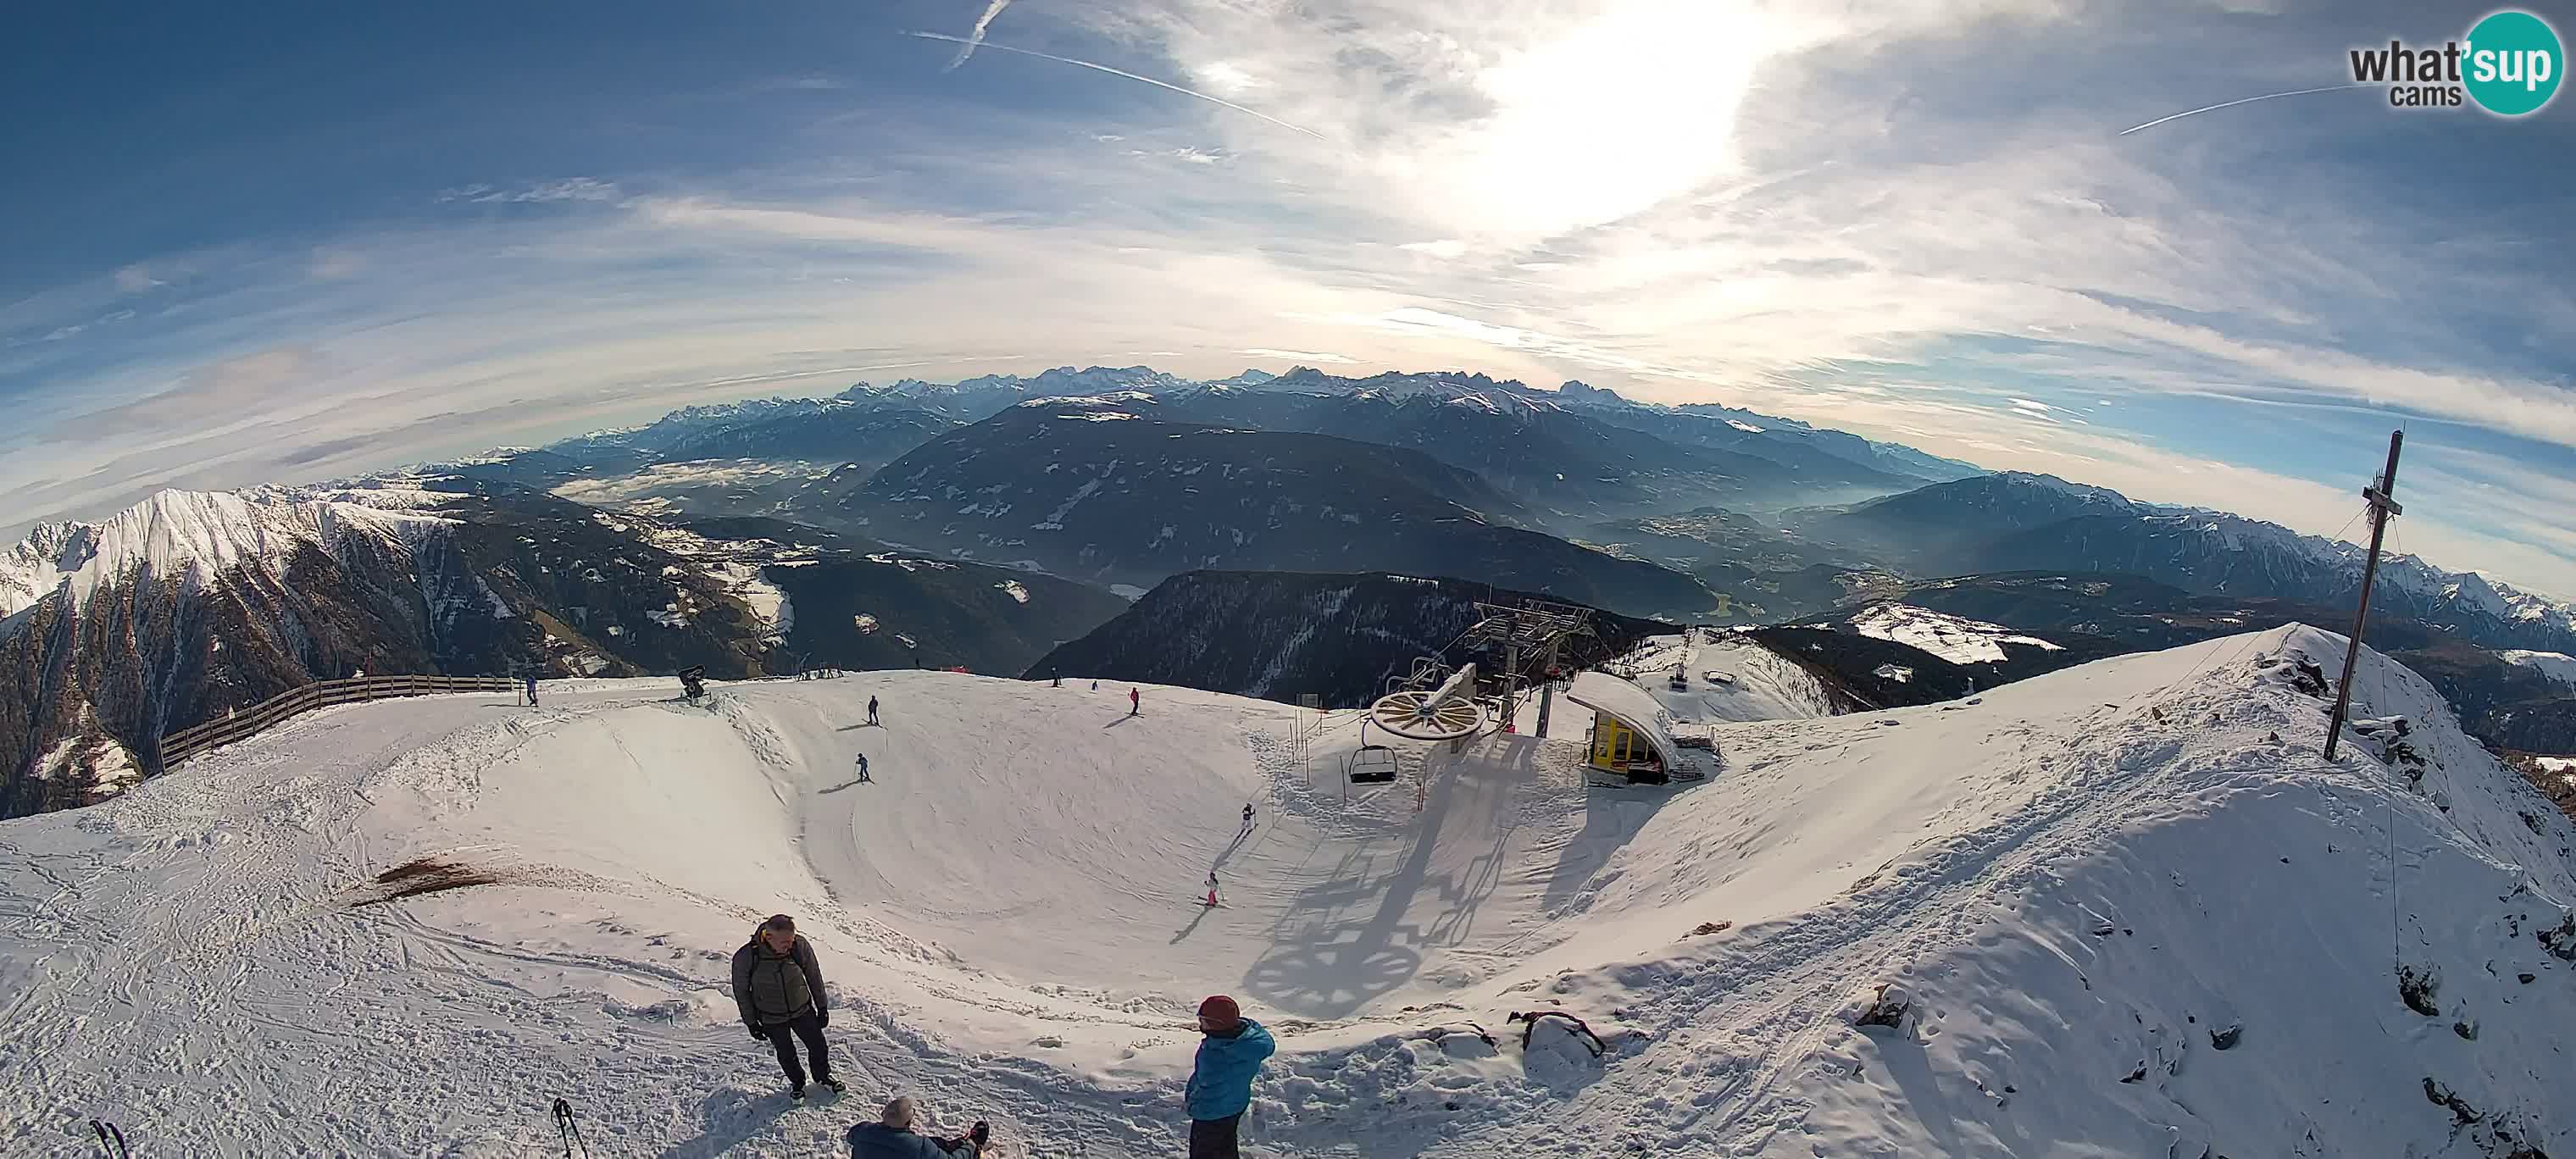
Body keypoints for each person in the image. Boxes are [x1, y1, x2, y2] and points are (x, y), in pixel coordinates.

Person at [731, 914, 842, 1100]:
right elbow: (741, 992)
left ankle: (823, 1076)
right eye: (784, 942)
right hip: (771, 1016)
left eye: (791, 940)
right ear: (769, 937)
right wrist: (751, 1022)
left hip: (801, 1009)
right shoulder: (747, 956)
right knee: (786, 1053)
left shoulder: (799, 946)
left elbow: (813, 975)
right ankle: (798, 1083)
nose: (789, 945)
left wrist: (822, 1006)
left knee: (818, 1046)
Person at [1185, 995, 1274, 1159]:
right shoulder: (1247, 1042)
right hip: (1235, 1104)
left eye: (1203, 1020)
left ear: (1215, 1025)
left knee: (1204, 1152)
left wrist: (1193, 1106)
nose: (1200, 1023)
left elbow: (1204, 1086)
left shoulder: (1217, 1055)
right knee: (1225, 1145)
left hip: (1211, 1112)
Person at [847, 1097, 988, 1158]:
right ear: (908, 1122)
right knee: (935, 1150)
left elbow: (851, 1136)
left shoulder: (862, 1130)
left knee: (936, 1143)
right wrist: (970, 1146)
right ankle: (971, 1146)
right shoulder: (919, 1147)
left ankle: (953, 1145)